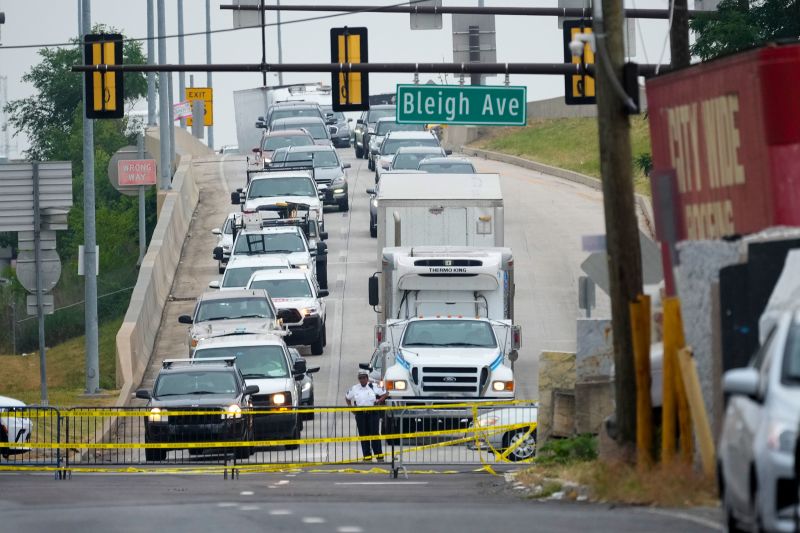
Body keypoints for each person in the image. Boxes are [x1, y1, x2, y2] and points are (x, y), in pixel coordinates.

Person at [345, 369, 389, 461]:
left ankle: (379, 457)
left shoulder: (373, 386)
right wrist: (351, 408)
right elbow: (347, 397)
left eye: (364, 378)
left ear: (367, 378)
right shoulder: (355, 388)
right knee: (363, 436)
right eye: (360, 378)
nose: (362, 380)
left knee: (374, 435)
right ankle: (367, 457)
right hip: (361, 414)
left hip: (372, 413)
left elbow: (385, 393)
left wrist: (379, 401)